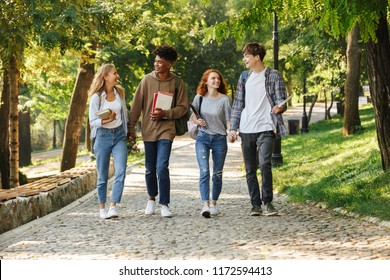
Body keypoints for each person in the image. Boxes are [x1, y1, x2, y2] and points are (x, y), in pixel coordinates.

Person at [128, 45, 188, 218]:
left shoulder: (177, 82)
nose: (156, 64)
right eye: (155, 61)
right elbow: (136, 106)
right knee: (149, 168)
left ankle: (164, 204)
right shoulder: (146, 80)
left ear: (169, 64)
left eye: (160, 62)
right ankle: (151, 199)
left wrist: (166, 113)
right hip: (149, 130)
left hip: (166, 130)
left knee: (162, 166)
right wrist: (131, 128)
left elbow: (183, 107)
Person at [228, 43, 288, 217]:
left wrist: (280, 108)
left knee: (265, 163)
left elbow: (281, 100)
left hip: (266, 127)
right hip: (247, 128)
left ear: (257, 57)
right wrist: (233, 128)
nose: (244, 59)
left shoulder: (273, 75)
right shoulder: (244, 77)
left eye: (247, 56)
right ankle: (255, 204)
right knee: (250, 168)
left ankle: (268, 202)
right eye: (244, 56)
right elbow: (238, 104)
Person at [88, 63, 129, 219]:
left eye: (116, 73)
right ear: (105, 76)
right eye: (114, 73)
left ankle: (113, 206)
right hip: (103, 136)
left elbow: (124, 114)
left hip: (119, 135)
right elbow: (92, 121)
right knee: (102, 176)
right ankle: (102, 208)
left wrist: (127, 130)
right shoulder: (97, 97)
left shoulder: (120, 93)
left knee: (121, 171)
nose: (116, 76)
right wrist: (106, 120)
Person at [190, 69, 231, 218]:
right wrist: (197, 121)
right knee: (204, 171)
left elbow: (228, 119)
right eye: (213, 78)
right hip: (203, 138)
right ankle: (205, 204)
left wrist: (231, 131)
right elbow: (193, 115)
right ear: (206, 81)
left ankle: (214, 203)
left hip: (219, 139)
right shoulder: (199, 98)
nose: (216, 81)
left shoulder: (224, 99)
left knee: (217, 174)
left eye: (218, 79)